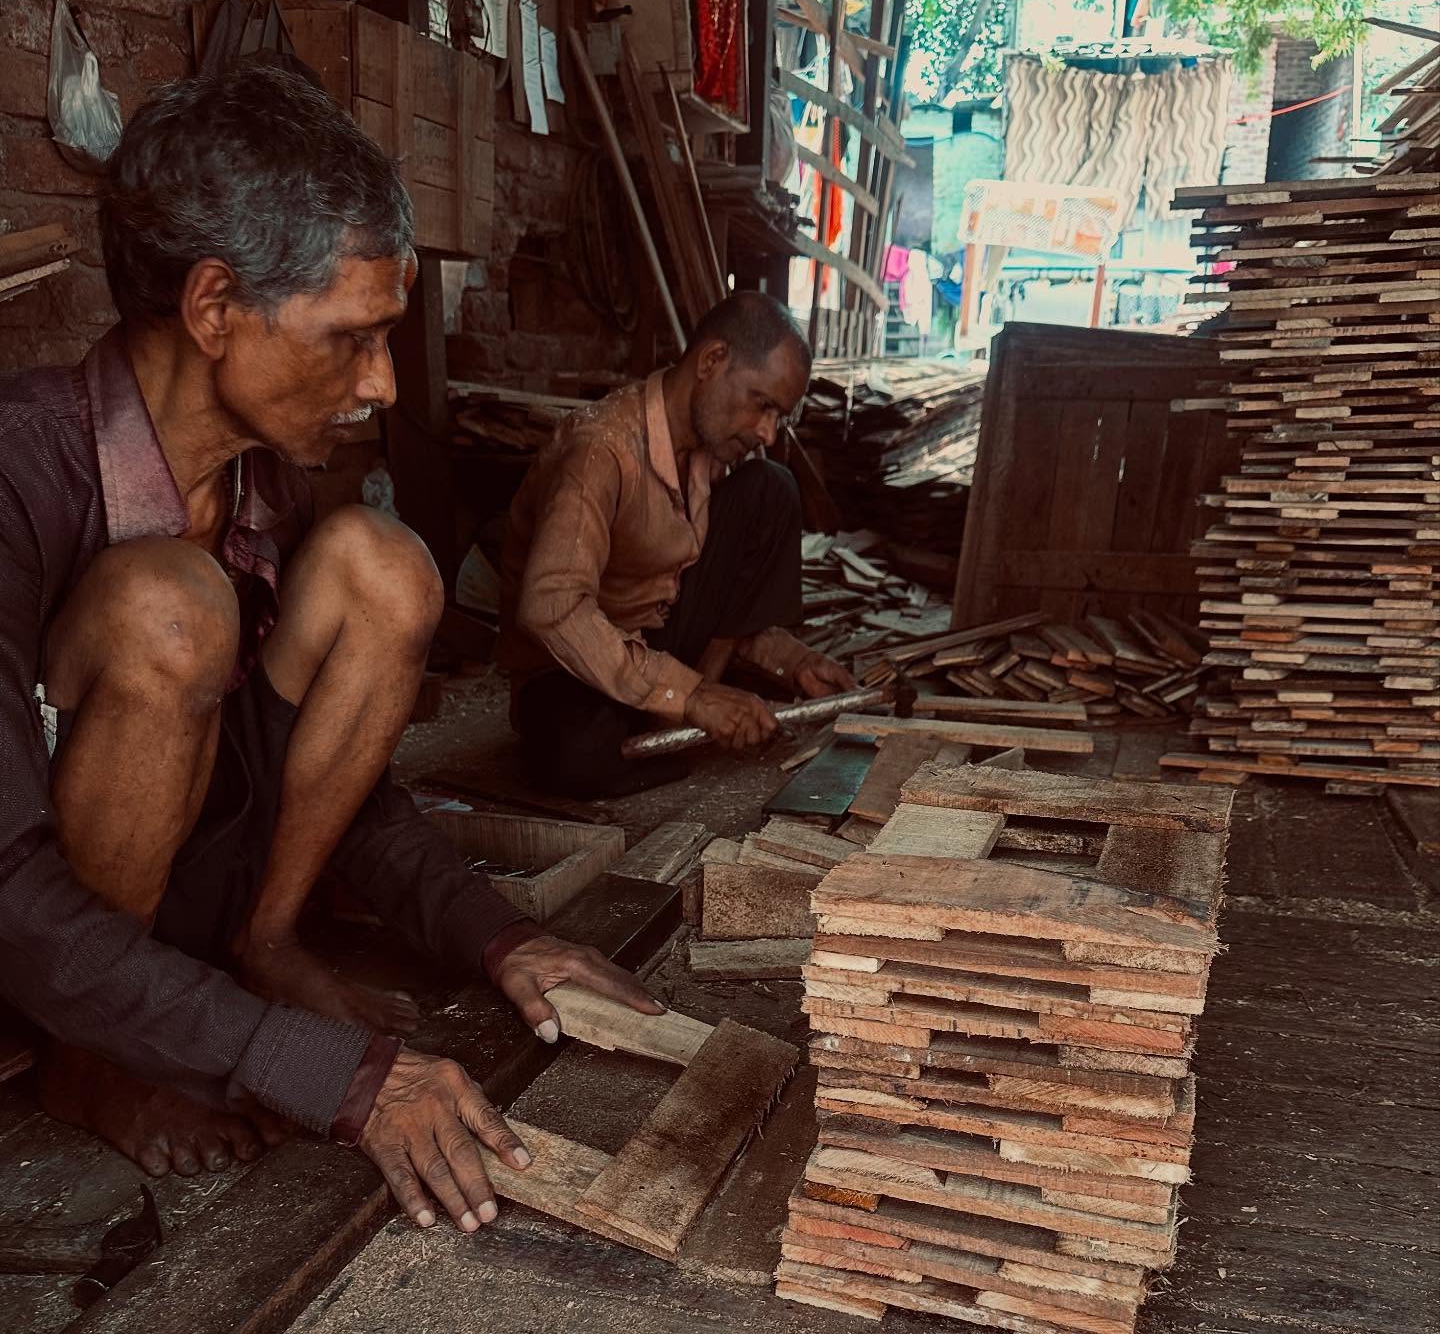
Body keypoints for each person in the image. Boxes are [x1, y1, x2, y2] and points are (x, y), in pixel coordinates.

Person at [0, 63, 662, 1235]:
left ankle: (259, 947)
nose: (382, 382)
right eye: (351, 338)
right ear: (213, 309)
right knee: (171, 606)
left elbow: (346, 790)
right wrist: (320, 1073)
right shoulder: (18, 478)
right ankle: (86, 1055)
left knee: (386, 560)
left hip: (190, 914)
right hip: (34, 956)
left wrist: (496, 936)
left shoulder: (270, 491)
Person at [498, 292, 856, 798]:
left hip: (656, 636)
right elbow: (549, 608)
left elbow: (699, 593)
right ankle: (674, 713)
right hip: (570, 664)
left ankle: (678, 709)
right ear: (711, 361)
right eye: (763, 405)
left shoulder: (711, 451)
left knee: (771, 488)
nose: (768, 433)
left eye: (780, 417)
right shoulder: (601, 450)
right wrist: (692, 696)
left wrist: (791, 662)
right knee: (576, 753)